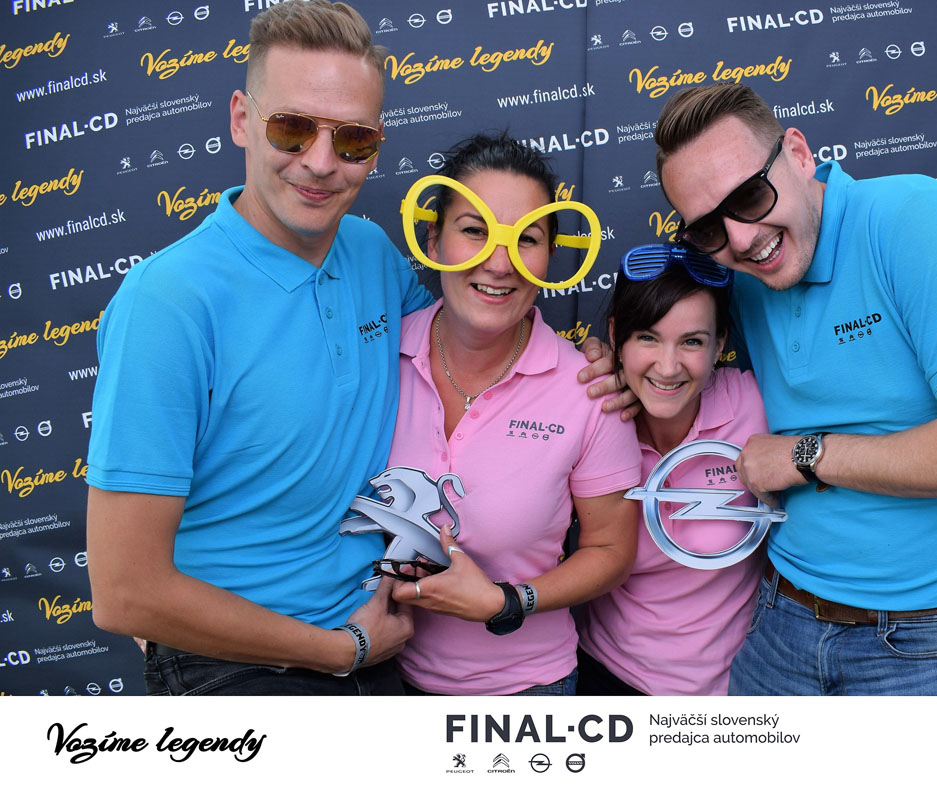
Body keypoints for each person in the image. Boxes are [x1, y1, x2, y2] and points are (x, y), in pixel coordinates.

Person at [584, 82, 937, 695]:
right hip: (780, 626)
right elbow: (670, 334)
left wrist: (805, 456)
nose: (741, 238)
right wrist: (608, 361)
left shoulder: (910, 218)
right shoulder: (739, 270)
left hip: (931, 641)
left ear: (799, 154)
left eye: (750, 195)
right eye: (707, 228)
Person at [85, 0, 431, 694]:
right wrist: (339, 651)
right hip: (235, 664)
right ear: (242, 119)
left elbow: (461, 356)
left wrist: (590, 370)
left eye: (353, 139)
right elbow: (124, 594)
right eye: (292, 129)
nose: (321, 163)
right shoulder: (167, 303)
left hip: (375, 638)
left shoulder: (370, 251)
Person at [383, 134, 640, 695]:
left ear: (550, 255)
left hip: (526, 694)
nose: (499, 263)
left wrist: (507, 601)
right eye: (474, 230)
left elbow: (611, 551)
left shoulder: (588, 389)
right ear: (434, 239)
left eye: (526, 239)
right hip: (375, 681)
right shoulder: (374, 359)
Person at [576, 254, 769, 695]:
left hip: (738, 691)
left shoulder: (757, 407)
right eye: (647, 337)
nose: (667, 367)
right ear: (615, 336)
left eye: (692, 342)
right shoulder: (590, 416)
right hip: (610, 679)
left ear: (720, 344)